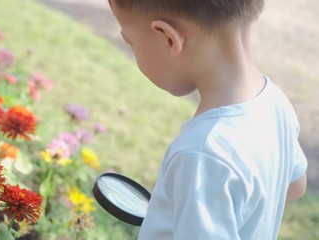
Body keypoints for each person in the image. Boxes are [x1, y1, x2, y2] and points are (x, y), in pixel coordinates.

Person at [108, 0, 308, 239]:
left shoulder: (201, 154)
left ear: (168, 38)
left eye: (130, 42)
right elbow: (294, 187)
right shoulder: (275, 103)